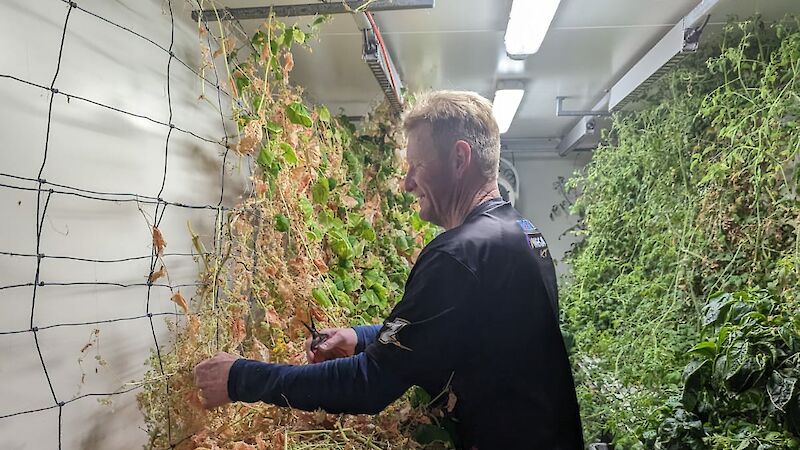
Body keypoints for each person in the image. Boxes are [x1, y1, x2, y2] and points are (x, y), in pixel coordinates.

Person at [194, 91, 584, 449]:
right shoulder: (520, 231)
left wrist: (240, 378)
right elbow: (453, 331)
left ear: (459, 159)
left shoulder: (458, 255)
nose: (406, 183)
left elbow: (369, 385)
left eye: (417, 165)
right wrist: (360, 337)